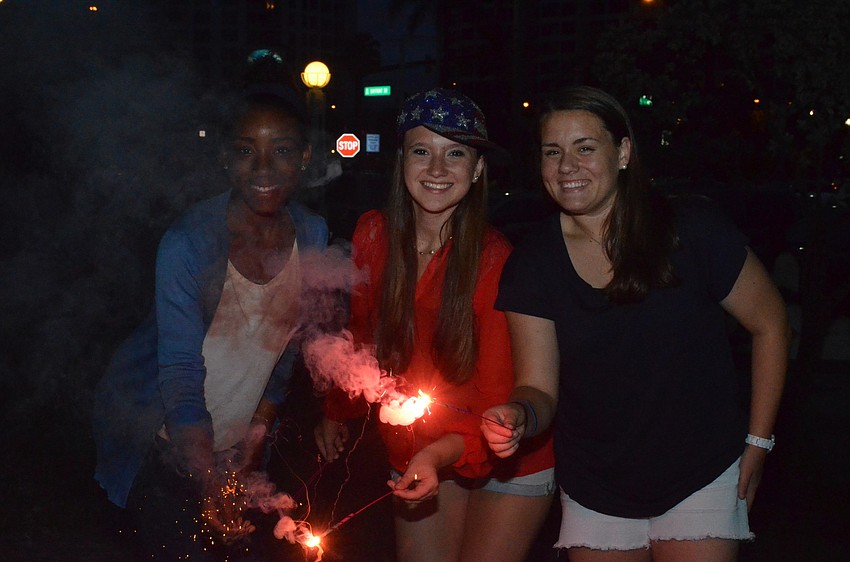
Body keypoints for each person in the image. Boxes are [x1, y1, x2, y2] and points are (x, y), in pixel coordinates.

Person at [481, 86, 790, 562]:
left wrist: (759, 441)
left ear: (623, 152)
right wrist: (519, 415)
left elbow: (770, 323)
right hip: (595, 484)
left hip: (700, 474)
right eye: (552, 152)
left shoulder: (692, 228)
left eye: (585, 147)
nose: (567, 166)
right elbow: (537, 386)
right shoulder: (532, 263)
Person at [313, 89, 555, 562]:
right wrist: (336, 409)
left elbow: (496, 401)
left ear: (478, 168)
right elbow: (362, 336)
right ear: (401, 160)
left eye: (456, 153)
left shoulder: (497, 262)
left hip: (507, 451)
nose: (438, 169)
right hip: (424, 445)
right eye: (422, 151)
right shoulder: (373, 235)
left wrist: (434, 455)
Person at [93, 85, 328, 560]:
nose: (263, 169)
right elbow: (180, 374)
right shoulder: (188, 243)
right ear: (225, 158)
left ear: (305, 156)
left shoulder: (313, 234)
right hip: (164, 444)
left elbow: (286, 348)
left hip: (236, 453)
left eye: (281, 151)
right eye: (246, 151)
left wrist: (256, 433)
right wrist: (208, 480)